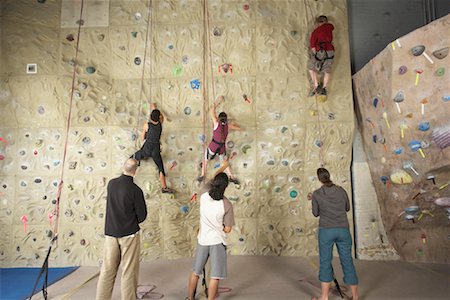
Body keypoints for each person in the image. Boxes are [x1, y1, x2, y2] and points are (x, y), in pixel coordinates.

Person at [96, 158, 147, 300]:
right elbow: (142, 216)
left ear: (123, 167)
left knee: (107, 270)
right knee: (129, 271)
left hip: (111, 234)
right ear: (135, 171)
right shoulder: (136, 190)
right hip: (129, 235)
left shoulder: (111, 184)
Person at [307, 168, 359, 300]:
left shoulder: (317, 194)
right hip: (343, 230)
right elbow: (347, 208)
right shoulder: (341, 191)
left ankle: (324, 297)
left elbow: (315, 213)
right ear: (329, 176)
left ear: (319, 179)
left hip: (326, 231)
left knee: (325, 262)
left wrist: (314, 199)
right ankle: (355, 296)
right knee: (347, 261)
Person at [186, 172, 235, 300]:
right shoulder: (227, 204)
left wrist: (223, 166)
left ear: (214, 183)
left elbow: (212, 177)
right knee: (215, 275)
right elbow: (228, 229)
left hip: (203, 239)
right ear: (225, 187)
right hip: (217, 241)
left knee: (196, 271)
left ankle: (190, 298)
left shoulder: (203, 194)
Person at [198, 96, 241, 184]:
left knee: (205, 159)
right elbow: (239, 128)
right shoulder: (228, 125)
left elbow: (211, 111)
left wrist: (218, 100)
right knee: (224, 162)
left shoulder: (216, 123)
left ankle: (202, 175)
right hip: (222, 148)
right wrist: (232, 124)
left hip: (213, 146)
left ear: (219, 118)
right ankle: (231, 177)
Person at [132, 103, 175, 193]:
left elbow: (143, 137)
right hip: (156, 149)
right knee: (160, 168)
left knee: (133, 157)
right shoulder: (160, 124)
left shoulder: (147, 125)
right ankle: (164, 187)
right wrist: (155, 109)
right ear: (159, 117)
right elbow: (161, 116)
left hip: (147, 148)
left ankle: (132, 170)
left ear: (150, 117)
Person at [307, 15, 335, 96]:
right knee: (327, 70)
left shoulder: (316, 31)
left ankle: (316, 85)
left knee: (311, 68)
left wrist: (315, 54)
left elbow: (312, 45)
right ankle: (324, 88)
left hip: (321, 51)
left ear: (319, 23)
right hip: (330, 51)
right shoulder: (330, 28)